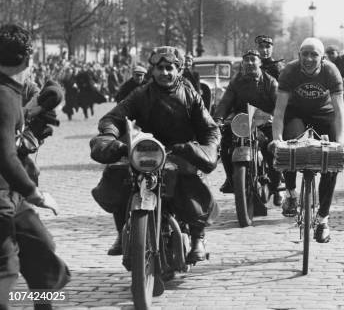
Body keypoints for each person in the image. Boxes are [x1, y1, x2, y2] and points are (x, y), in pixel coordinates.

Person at [89, 46, 220, 263]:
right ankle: (123, 232)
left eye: (170, 68)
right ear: (153, 70)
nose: (164, 73)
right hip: (145, 150)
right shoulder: (140, 94)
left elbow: (210, 128)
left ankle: (198, 237)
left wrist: (205, 148)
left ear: (178, 70)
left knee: (192, 186)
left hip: (180, 152)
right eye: (160, 68)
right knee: (119, 176)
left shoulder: (191, 95)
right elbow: (114, 117)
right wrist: (110, 135)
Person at [0, 24, 62, 308]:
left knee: (42, 251)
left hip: (12, 194)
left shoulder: (13, 91)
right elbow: (5, 157)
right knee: (5, 270)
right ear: (28, 58)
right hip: (3, 196)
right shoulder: (3, 98)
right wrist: (35, 193)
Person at [271, 37, 344, 243]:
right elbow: (279, 112)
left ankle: (323, 219)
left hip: (325, 114)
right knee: (289, 145)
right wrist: (277, 139)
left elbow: (340, 113)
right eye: (305, 53)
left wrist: (340, 143)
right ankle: (290, 192)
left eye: (314, 54)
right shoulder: (289, 71)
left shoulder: (331, 72)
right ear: (299, 56)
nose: (309, 58)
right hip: (296, 113)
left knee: (332, 162)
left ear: (322, 58)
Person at [213, 50, 281, 205]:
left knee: (273, 149)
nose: (249, 63)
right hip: (241, 123)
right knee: (225, 146)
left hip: (264, 123)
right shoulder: (236, 82)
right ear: (242, 64)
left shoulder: (270, 82)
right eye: (246, 60)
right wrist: (217, 120)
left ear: (259, 63)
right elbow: (225, 102)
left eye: (253, 59)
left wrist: (273, 117)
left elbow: (279, 105)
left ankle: (276, 185)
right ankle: (231, 179)